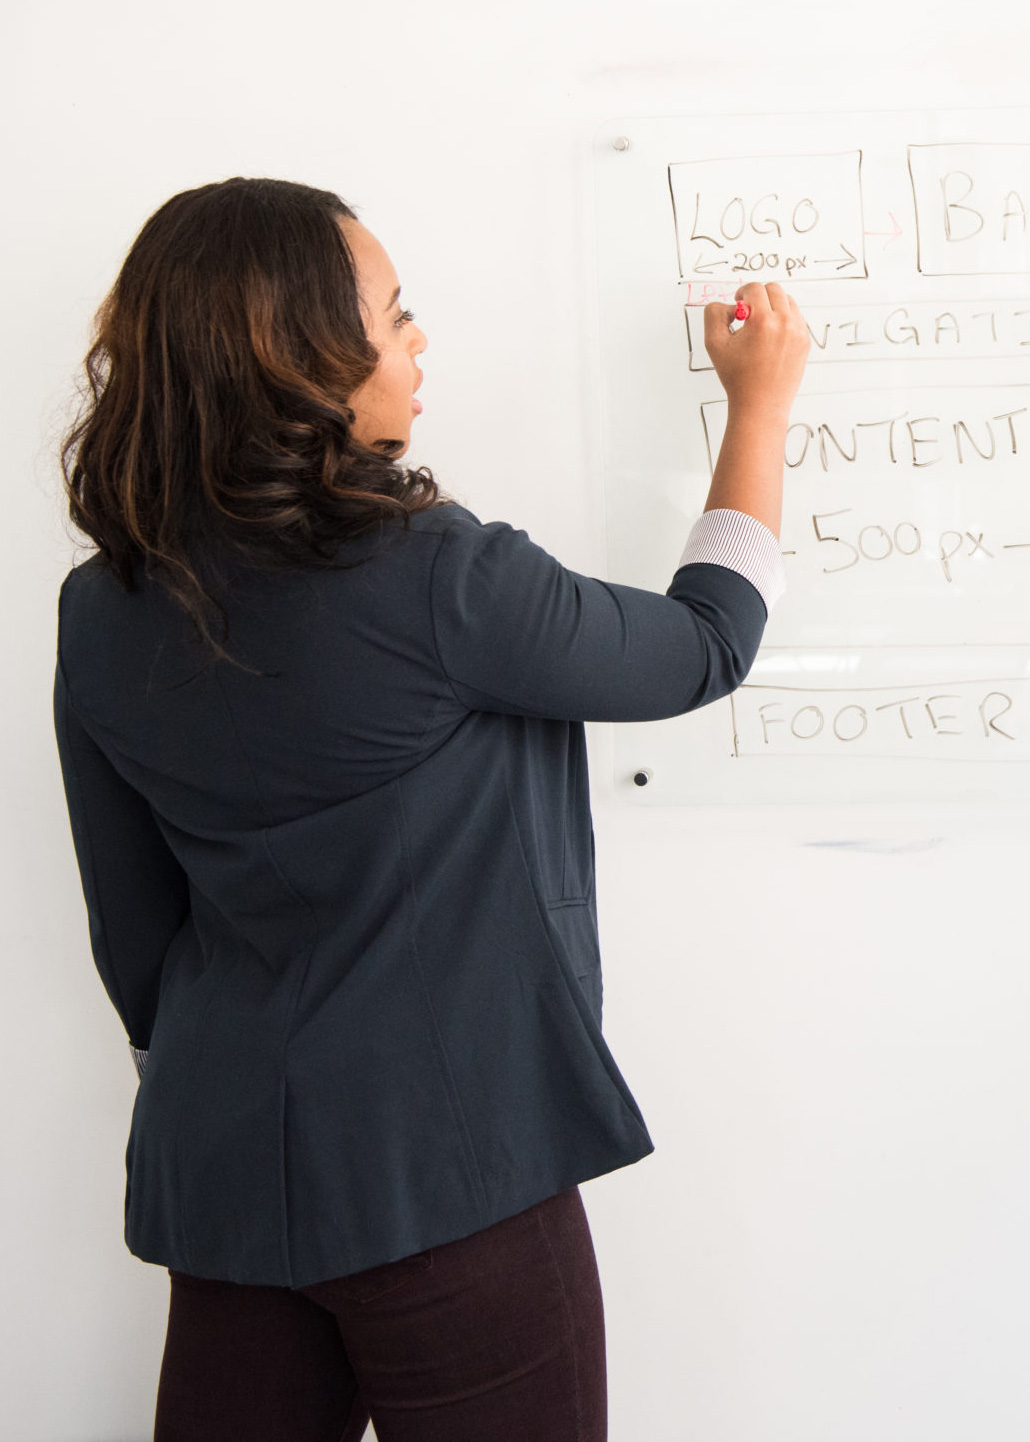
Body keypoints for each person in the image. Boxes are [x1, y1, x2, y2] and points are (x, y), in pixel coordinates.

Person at [53, 177, 808, 1441]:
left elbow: (133, 929)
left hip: (225, 1169)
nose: (416, 343)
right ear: (302, 360)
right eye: (395, 316)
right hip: (448, 1178)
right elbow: (702, 647)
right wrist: (763, 406)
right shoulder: (435, 576)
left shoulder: (103, 606)